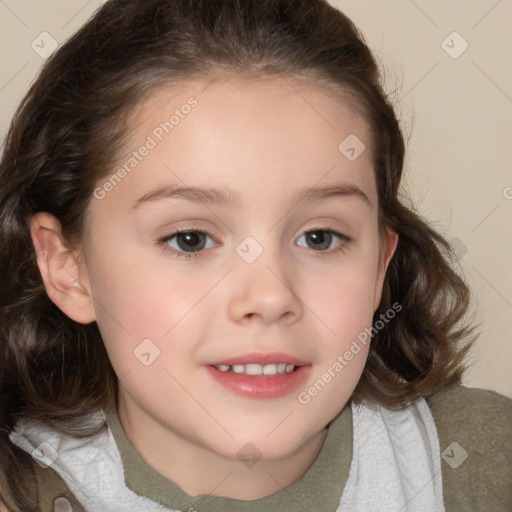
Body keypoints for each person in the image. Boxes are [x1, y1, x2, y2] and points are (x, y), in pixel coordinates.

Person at [0, 0, 510, 511]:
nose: (269, 297)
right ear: (68, 267)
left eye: (320, 238)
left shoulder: (482, 467)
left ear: (380, 263)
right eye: (190, 239)